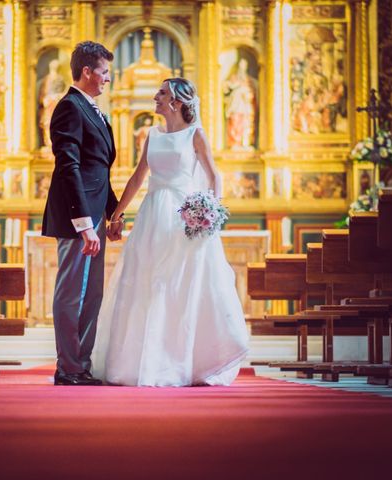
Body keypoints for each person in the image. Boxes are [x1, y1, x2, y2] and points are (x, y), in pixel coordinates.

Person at [92, 78, 249, 387]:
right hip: (153, 215)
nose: (155, 97)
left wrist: (210, 210)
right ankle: (145, 362)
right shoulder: (152, 135)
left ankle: (187, 362)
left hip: (184, 217)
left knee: (180, 285)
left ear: (176, 101)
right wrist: (116, 214)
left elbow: (214, 176)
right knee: (146, 283)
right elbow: (138, 178)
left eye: (161, 93)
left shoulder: (195, 135)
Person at [41, 41, 120, 386]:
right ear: (86, 71)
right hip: (79, 219)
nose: (107, 79)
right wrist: (84, 223)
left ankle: (81, 365)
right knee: (73, 292)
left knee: (92, 294)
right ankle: (68, 367)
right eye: (104, 72)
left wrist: (113, 214)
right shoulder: (70, 107)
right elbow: (69, 167)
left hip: (95, 216)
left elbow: (98, 170)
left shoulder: (93, 110)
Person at [38, 59, 67, 148]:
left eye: (56, 66)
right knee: (48, 123)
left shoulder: (61, 78)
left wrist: (61, 96)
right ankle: (49, 143)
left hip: (58, 104)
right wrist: (45, 99)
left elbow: (65, 91)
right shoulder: (46, 79)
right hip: (49, 104)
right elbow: (43, 95)